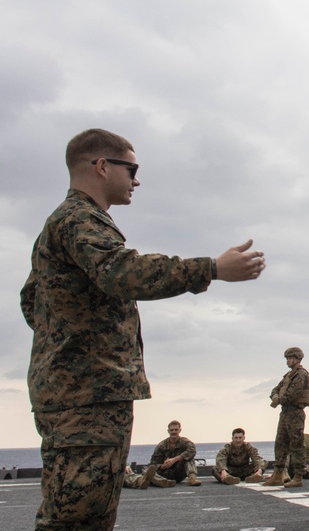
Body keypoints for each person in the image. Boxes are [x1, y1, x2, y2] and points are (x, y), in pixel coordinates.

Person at [19, 127, 266, 529]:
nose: (137, 179)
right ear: (101, 166)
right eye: (131, 168)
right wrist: (212, 269)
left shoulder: (69, 222)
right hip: (87, 395)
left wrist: (70, 340)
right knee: (78, 519)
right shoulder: (80, 218)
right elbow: (123, 271)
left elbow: (33, 301)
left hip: (81, 390)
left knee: (81, 513)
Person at [263, 347, 309, 489]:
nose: (288, 361)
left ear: (297, 359)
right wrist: (275, 396)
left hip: (295, 412)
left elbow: (291, 394)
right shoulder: (288, 375)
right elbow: (275, 389)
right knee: (280, 443)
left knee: (296, 445)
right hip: (285, 412)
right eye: (287, 358)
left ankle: (298, 476)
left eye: (290, 358)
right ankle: (278, 474)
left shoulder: (301, 374)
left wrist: (278, 399)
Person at [149, 420, 202, 487]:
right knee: (147, 470)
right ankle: (161, 482)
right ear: (168, 431)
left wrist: (175, 459)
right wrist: (162, 466)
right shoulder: (161, 446)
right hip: (165, 473)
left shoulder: (185, 442)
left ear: (180, 430)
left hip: (180, 472)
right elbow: (153, 463)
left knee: (188, 458)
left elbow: (192, 450)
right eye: (171, 430)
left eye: (176, 430)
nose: (173, 432)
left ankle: (192, 479)